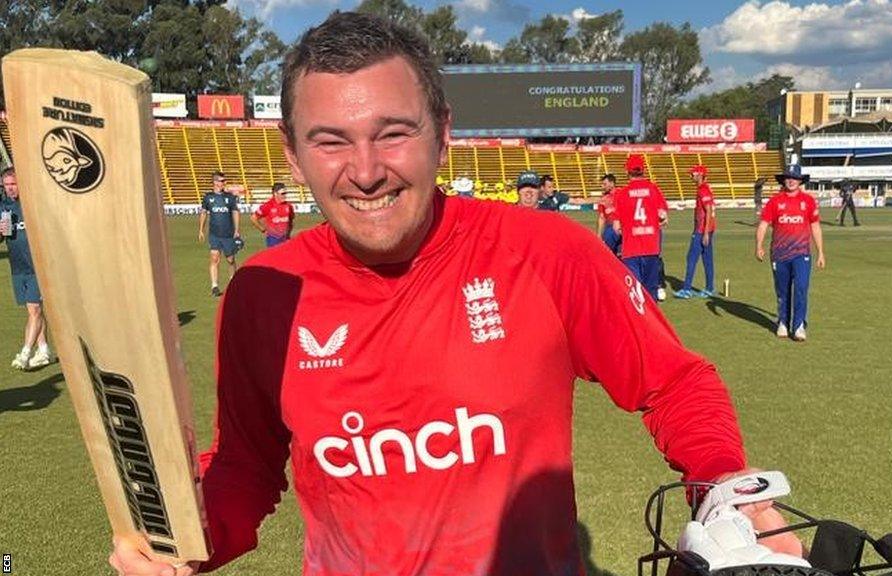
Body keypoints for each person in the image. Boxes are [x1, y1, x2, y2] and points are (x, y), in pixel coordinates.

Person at [110, 12, 799, 576]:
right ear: (291, 151)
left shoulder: (544, 251)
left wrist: (728, 492)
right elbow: (247, 466)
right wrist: (188, 539)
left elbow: (674, 383)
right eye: (331, 141)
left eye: (393, 133)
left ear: (442, 132)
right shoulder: (263, 292)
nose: (366, 171)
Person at [755, 164, 826, 342]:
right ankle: (783, 323)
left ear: (800, 180)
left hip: (802, 253)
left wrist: (821, 252)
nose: (791, 180)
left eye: (794, 177)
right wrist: (759, 245)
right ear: (783, 180)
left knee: (801, 288)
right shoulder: (775, 201)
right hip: (779, 254)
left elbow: (815, 226)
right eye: (788, 177)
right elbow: (763, 224)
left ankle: (799, 325)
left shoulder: (808, 201)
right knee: (782, 291)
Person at [0, 167, 53, 370]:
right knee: (33, 310)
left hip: (37, 266)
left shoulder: (32, 205)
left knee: (35, 309)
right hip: (18, 267)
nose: (10, 189)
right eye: (6, 185)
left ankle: (25, 353)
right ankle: (44, 350)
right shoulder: (4, 207)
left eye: (13, 184)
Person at [613, 154, 668, 300]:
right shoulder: (654, 190)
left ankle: (636, 322)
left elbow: (616, 227)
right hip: (651, 248)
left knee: (634, 295)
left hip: (631, 250)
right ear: (643, 170)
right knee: (651, 292)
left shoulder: (621, 194)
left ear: (627, 171)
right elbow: (663, 217)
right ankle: (652, 322)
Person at [675, 165, 716, 299]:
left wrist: (704, 232)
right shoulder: (706, 188)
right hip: (708, 229)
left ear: (699, 174)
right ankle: (709, 288)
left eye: (693, 174)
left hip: (701, 230)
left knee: (691, 258)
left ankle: (687, 289)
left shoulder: (702, 190)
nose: (691, 176)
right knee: (707, 259)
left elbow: (708, 210)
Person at [198, 171, 241, 297]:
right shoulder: (208, 197)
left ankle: (233, 282)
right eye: (221, 181)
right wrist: (201, 229)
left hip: (228, 234)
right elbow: (204, 213)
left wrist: (237, 230)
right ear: (215, 182)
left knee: (230, 260)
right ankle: (214, 286)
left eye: (224, 181)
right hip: (214, 234)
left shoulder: (230, 197)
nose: (223, 183)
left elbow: (235, 213)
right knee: (214, 258)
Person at [251, 182, 295, 247]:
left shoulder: (289, 206)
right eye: (282, 193)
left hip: (285, 238)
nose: (285, 195)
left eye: (286, 193)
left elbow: (291, 220)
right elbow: (253, 218)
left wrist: (288, 234)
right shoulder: (268, 206)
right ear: (275, 194)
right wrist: (262, 229)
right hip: (273, 239)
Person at [596, 173, 620, 255]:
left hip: (623, 227)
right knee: (608, 254)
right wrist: (599, 235)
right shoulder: (603, 198)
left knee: (624, 256)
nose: (602, 186)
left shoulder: (622, 194)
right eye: (602, 184)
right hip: (610, 228)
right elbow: (602, 217)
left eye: (605, 184)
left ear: (612, 183)